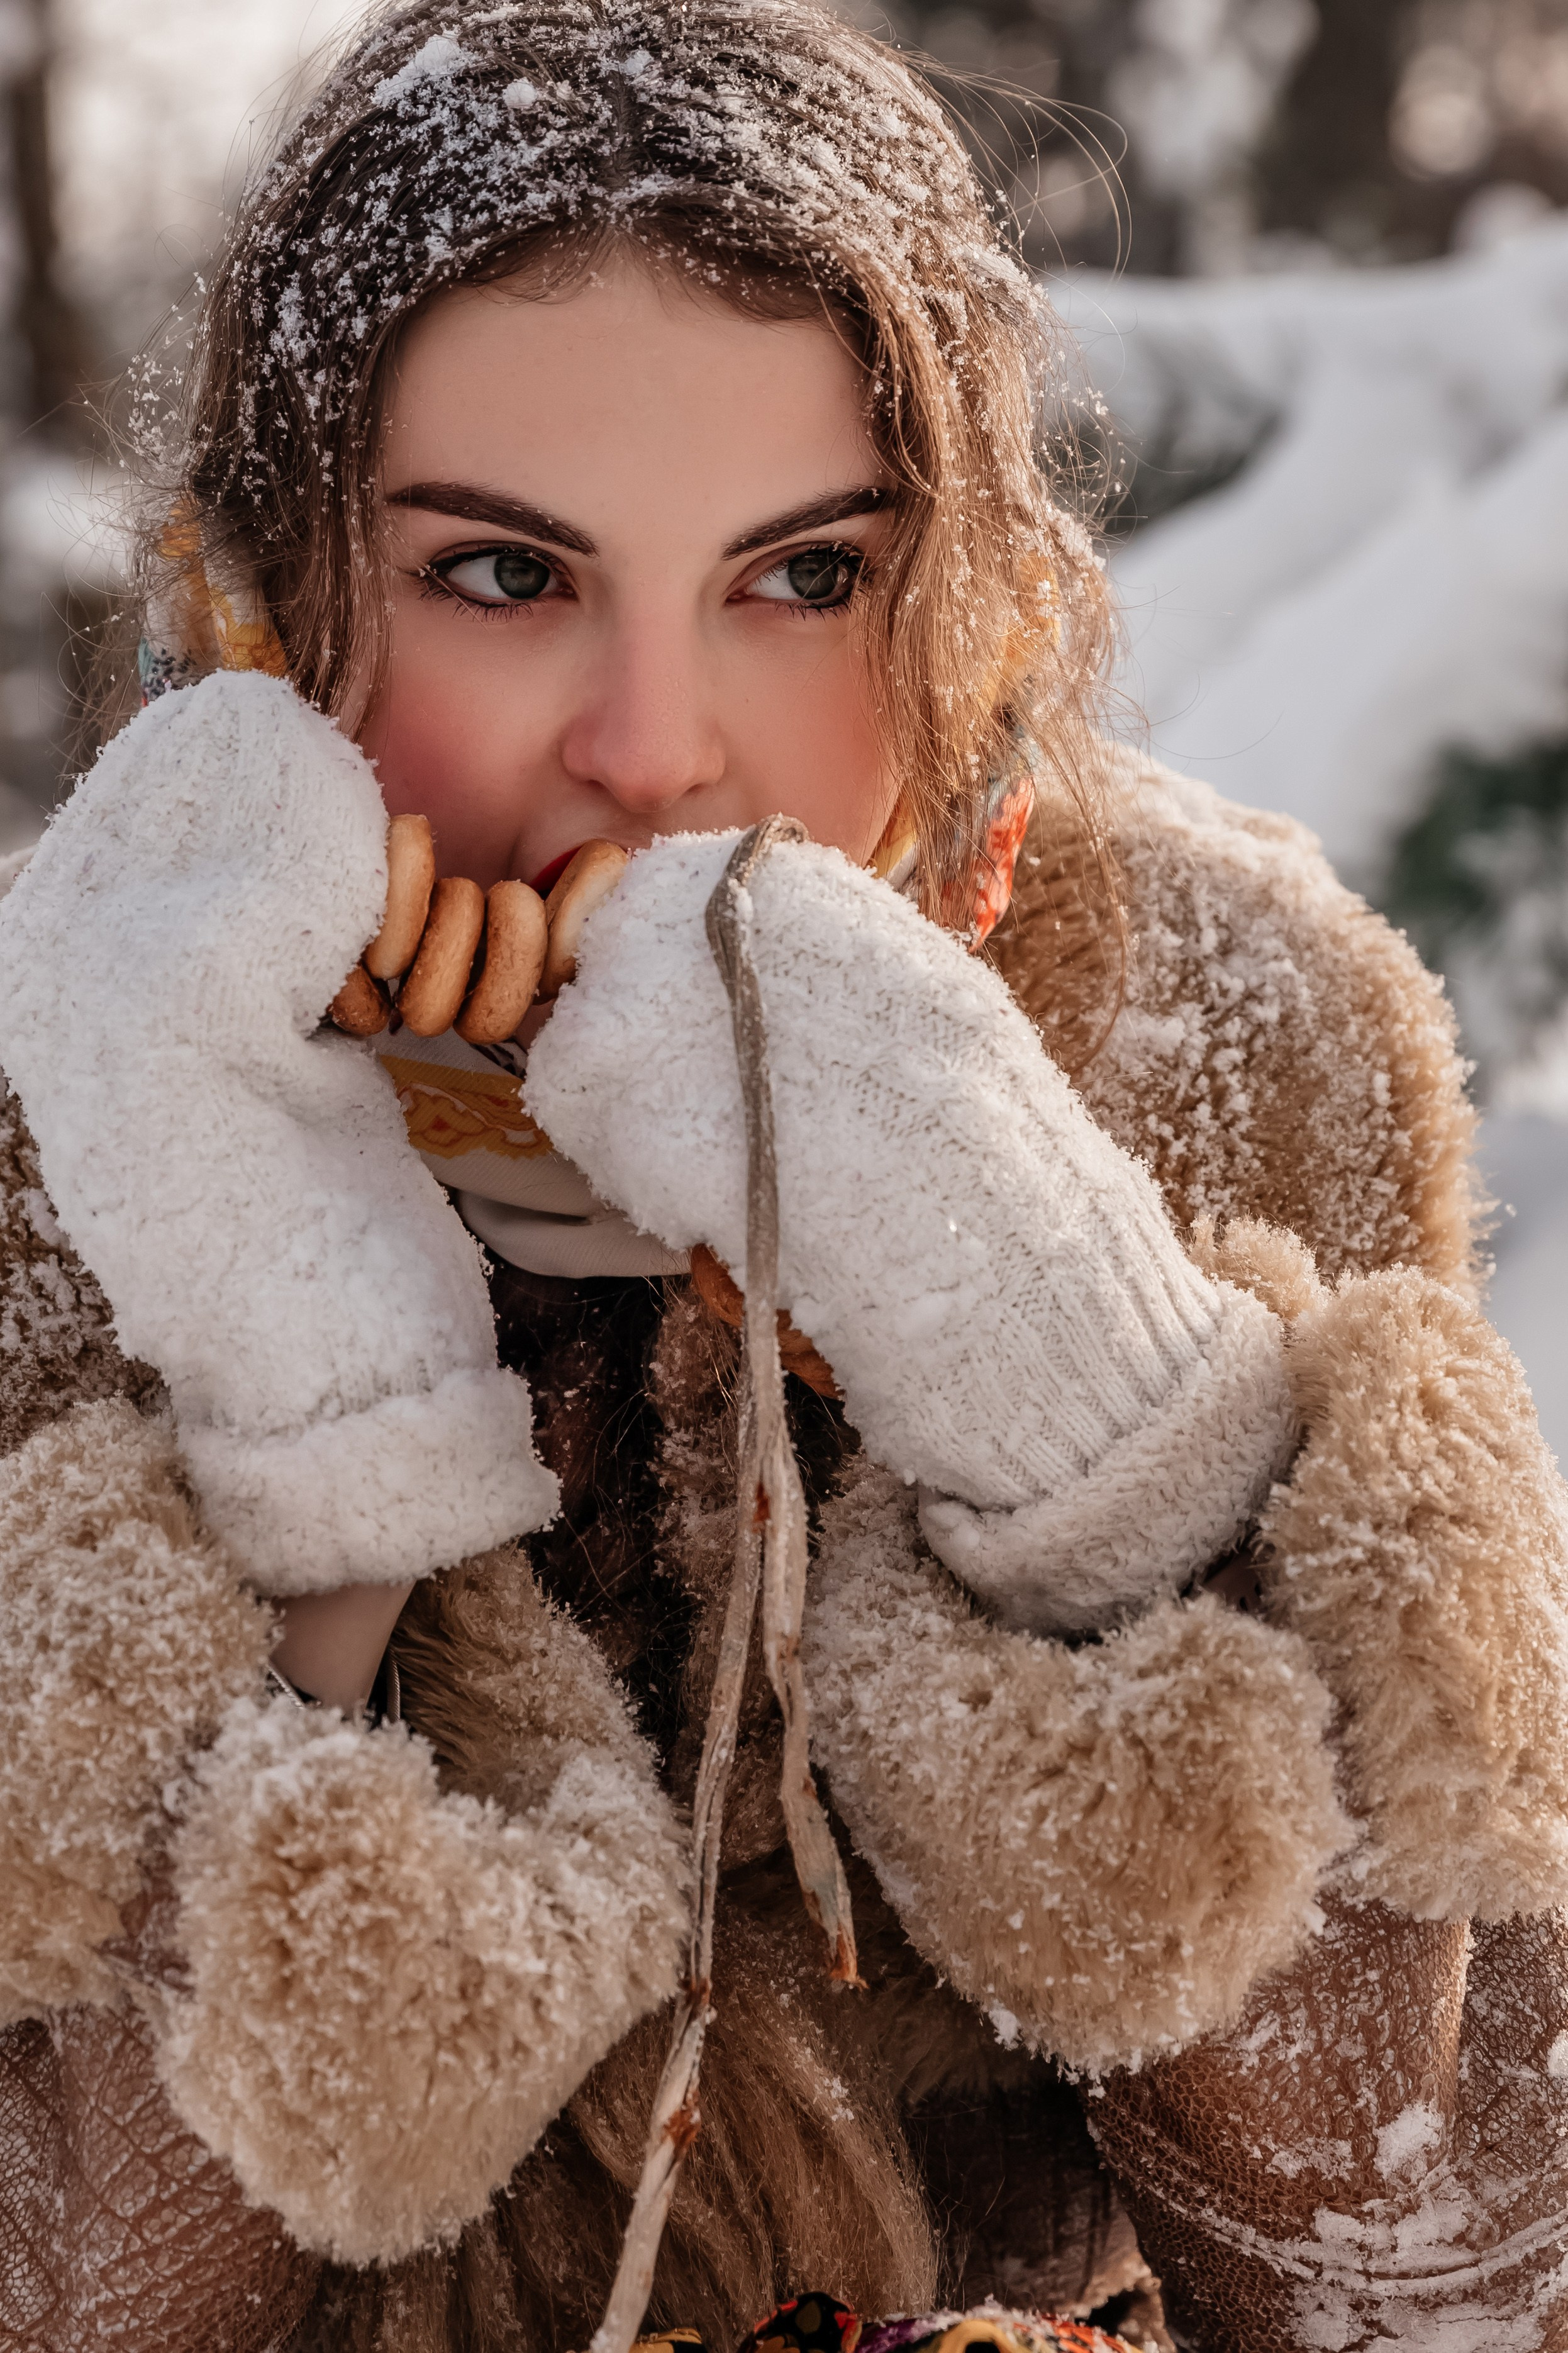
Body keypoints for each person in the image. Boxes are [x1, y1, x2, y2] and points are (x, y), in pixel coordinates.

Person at [2, 3, 1567, 2349]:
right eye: (505, 577)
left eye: (807, 577)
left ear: (976, 609)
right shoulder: (67, 1123)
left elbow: (1447, 2280)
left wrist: (1078, 1381)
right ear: (252, 615)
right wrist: (298, 1407)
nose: (658, 752)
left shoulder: (1217, 1041)